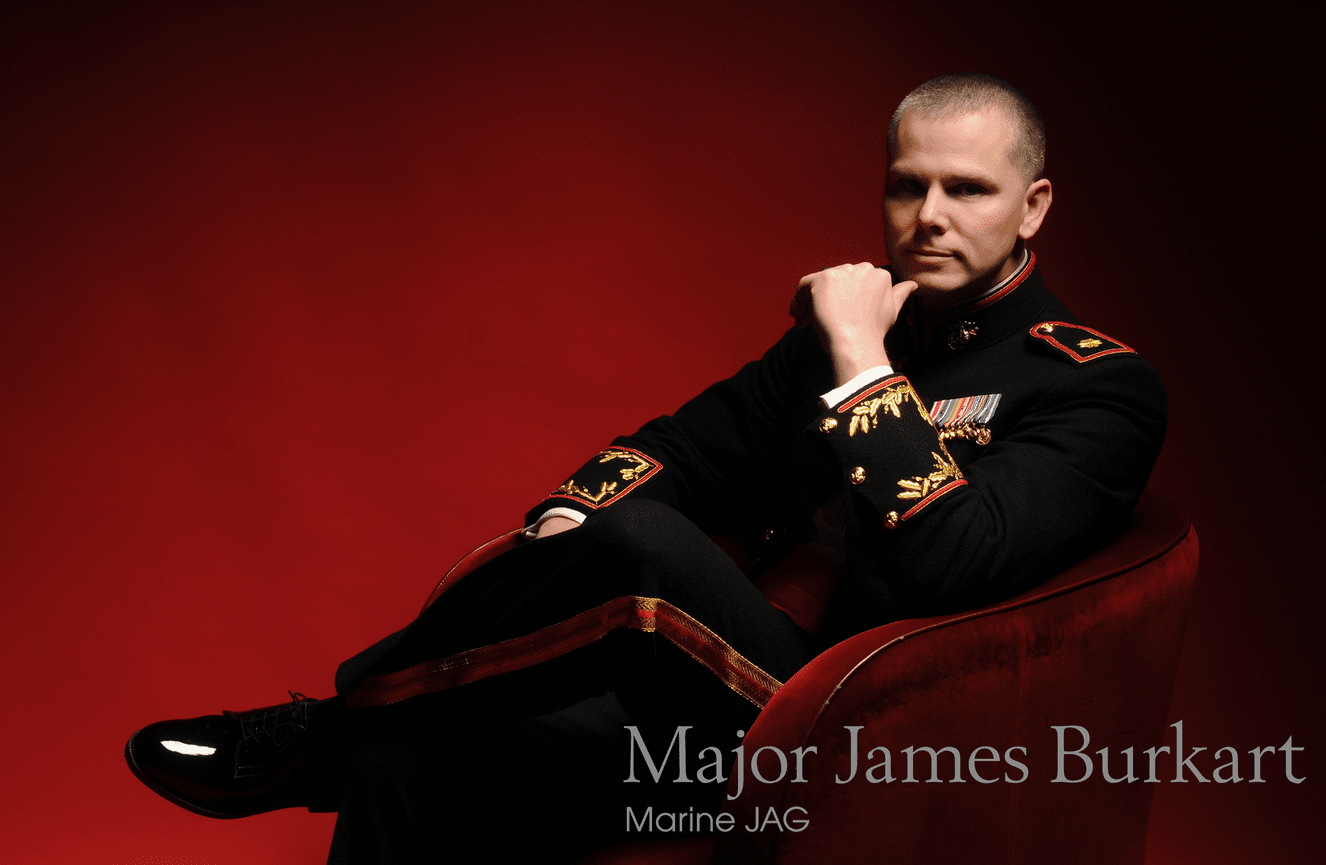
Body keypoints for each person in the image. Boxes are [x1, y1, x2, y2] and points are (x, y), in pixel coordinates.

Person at [125, 73, 1166, 861]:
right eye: (907, 185)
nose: (926, 215)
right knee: (405, 761)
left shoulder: (1093, 385)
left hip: (857, 737)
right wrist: (564, 526)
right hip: (701, 733)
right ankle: (354, 738)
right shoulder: (845, 325)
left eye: (966, 189)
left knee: (642, 541)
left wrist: (859, 362)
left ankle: (324, 722)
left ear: (1030, 208)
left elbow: (953, 561)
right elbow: (679, 449)